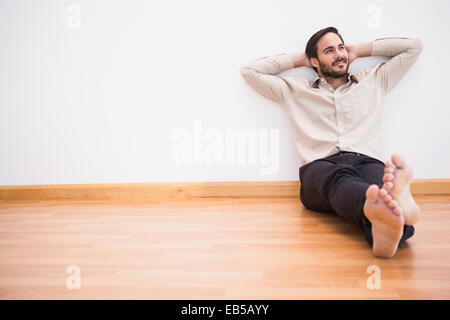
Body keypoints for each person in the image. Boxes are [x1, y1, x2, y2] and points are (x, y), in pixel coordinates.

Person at [240, 26, 423, 258]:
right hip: (320, 167)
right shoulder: (294, 90)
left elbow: (414, 46)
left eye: (341, 47)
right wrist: (300, 60)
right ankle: (397, 208)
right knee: (354, 184)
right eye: (329, 51)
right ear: (315, 62)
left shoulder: (374, 79)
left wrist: (358, 50)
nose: (339, 54)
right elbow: (249, 72)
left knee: (380, 188)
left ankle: (385, 228)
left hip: (366, 161)